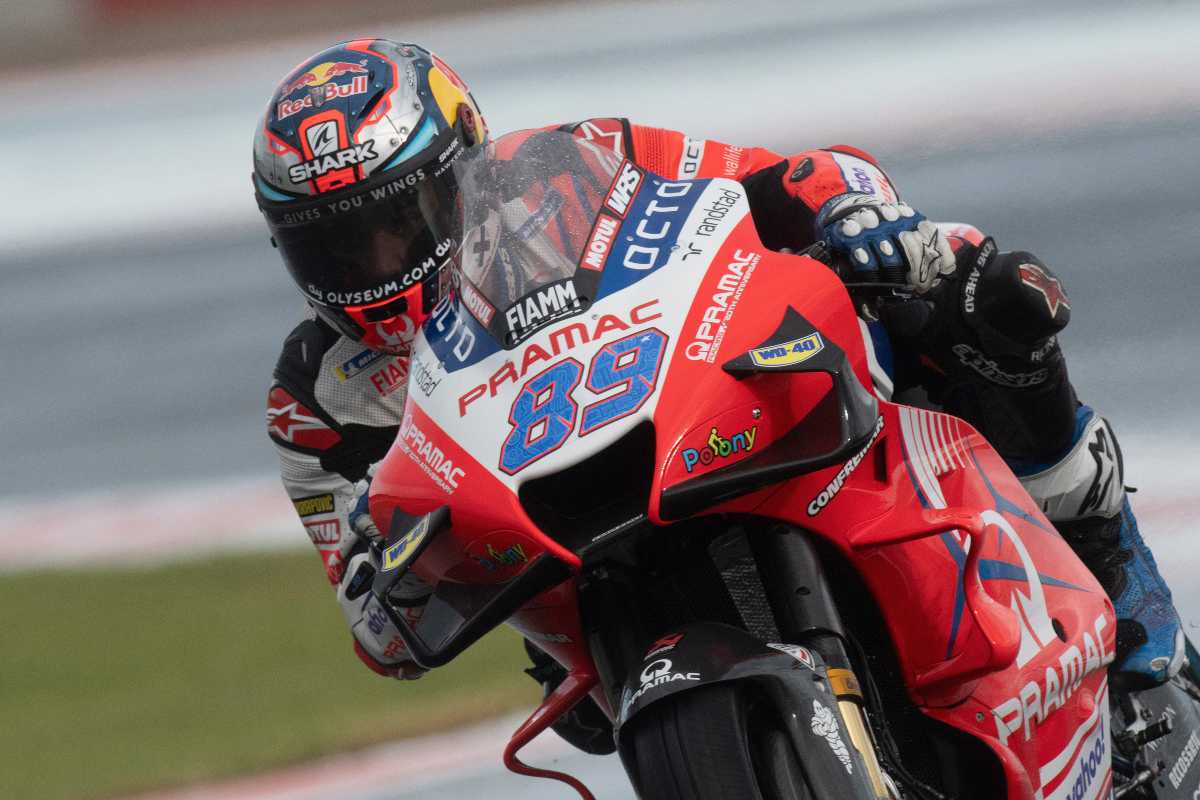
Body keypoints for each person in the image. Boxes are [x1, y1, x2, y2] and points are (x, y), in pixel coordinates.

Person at [255, 38, 1184, 739]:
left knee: (977, 287)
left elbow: (794, 176)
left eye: (394, 221)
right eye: (331, 244)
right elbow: (374, 626)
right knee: (577, 714)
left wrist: (856, 220)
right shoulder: (317, 399)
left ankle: (1139, 626)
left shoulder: (574, 166)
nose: (373, 265)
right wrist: (401, 582)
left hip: (704, 415)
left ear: (463, 169)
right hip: (568, 574)